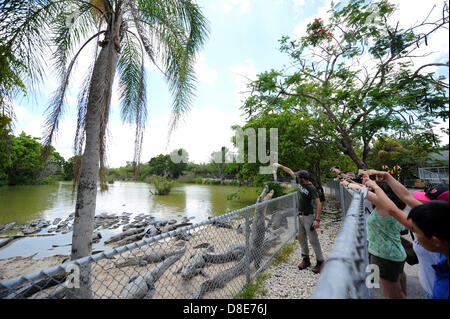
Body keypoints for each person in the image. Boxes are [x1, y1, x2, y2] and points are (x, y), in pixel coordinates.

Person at [364, 170, 448, 298]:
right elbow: (406, 197)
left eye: (417, 232)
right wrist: (387, 176)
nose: (414, 234)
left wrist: (375, 187)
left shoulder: (445, 288)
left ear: (437, 240)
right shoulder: (441, 224)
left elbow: (393, 210)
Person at [350, 177, 408, 298]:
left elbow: (362, 191)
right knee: (399, 291)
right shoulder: (395, 209)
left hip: (383, 257)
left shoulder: (384, 207)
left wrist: (349, 183)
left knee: (391, 295)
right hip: (395, 253)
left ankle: (372, 292)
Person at [274, 163, 324, 273]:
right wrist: (280, 166)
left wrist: (317, 219)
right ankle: (306, 259)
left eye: (298, 177)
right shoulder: (299, 182)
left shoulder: (311, 188)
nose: (296, 177)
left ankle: (320, 262)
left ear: (302, 178)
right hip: (299, 215)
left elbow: (319, 204)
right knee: (301, 238)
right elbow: (290, 171)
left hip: (308, 217)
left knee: (313, 239)